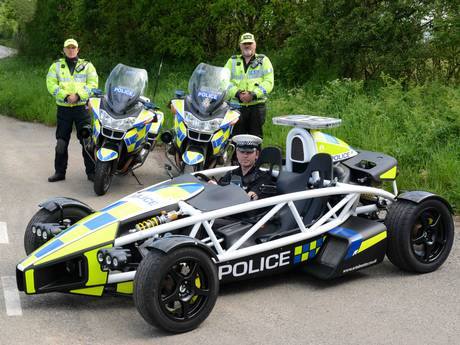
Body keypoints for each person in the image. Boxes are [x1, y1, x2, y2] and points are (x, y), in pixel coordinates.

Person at [46, 38, 98, 182]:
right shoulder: (56, 66)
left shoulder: (87, 66)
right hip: (64, 110)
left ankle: (92, 173)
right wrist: (65, 96)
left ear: (78, 49)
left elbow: (93, 84)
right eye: (68, 48)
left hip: (82, 109)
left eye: (73, 47)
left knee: (87, 141)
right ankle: (59, 173)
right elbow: (50, 84)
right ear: (64, 50)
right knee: (61, 143)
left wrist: (79, 95)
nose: (70, 50)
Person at [224, 33, 274, 138]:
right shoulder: (232, 61)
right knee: (235, 139)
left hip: (257, 107)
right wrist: (238, 94)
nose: (247, 46)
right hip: (236, 107)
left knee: (255, 139)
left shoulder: (264, 60)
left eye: (250, 43)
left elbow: (269, 82)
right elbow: (223, 81)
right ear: (240, 46)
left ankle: (256, 155)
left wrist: (253, 94)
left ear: (254, 45)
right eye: (244, 43)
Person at [217, 134, 274, 200]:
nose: (245, 156)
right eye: (242, 152)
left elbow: (249, 199)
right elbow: (218, 191)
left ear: (257, 154)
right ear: (237, 153)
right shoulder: (231, 174)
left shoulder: (263, 178)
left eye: (249, 152)